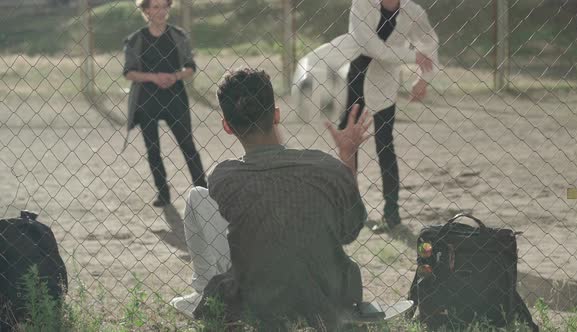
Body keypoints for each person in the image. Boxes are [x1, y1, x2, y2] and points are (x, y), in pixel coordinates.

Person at [171, 68, 371, 330]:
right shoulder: (326, 166)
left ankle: (206, 294)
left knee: (198, 197)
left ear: (227, 127)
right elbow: (349, 231)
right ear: (277, 114)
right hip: (329, 294)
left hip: (259, 298)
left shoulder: (224, 177)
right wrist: (347, 158)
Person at [292, 0, 439, 232]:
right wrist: (413, 57)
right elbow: (372, 47)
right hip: (350, 79)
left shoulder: (413, 12)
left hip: (383, 85)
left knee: (385, 144)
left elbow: (429, 45)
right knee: (348, 146)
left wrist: (423, 79)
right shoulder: (361, 4)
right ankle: (351, 208)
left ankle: (392, 214)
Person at [122, 0, 207, 207]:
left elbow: (190, 67)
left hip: (175, 98)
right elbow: (128, 72)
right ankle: (163, 194)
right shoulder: (135, 39)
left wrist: (175, 76)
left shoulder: (178, 36)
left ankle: (203, 190)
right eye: (156, 7)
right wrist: (153, 77)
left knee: (188, 145)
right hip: (146, 101)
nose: (161, 11)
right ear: (145, 10)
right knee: (152, 148)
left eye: (165, 6)